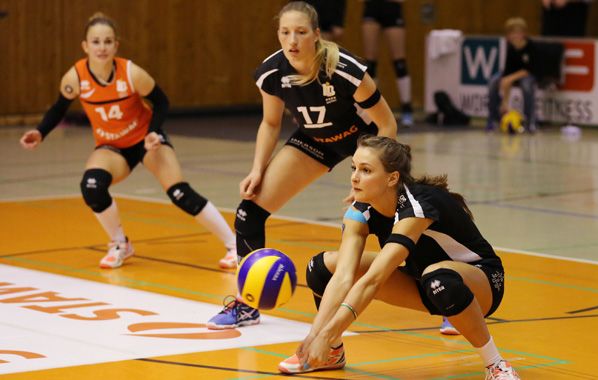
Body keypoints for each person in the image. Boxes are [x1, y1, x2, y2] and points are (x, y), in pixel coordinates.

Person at [206, 1, 397, 329]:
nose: (292, 40)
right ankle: (247, 303)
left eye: (300, 32)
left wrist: (366, 176)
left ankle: (446, 299)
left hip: (362, 143)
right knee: (248, 211)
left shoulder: (344, 69)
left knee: (392, 221)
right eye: (285, 32)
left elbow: (387, 126)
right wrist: (257, 169)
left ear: (316, 35)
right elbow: (270, 123)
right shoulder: (272, 72)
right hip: (314, 141)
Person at [277, 135, 520, 379]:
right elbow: (343, 277)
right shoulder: (359, 212)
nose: (354, 177)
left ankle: (496, 364)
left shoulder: (416, 208)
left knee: (438, 277)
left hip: (480, 282)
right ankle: (331, 352)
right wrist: (314, 337)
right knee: (323, 267)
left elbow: (373, 281)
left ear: (392, 178)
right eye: (354, 168)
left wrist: (326, 334)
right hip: (422, 280)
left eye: (366, 170)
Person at [19, 13, 237, 270]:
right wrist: (40, 132)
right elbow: (59, 108)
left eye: (108, 41)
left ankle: (235, 246)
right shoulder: (75, 77)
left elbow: (162, 100)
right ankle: (120, 244)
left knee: (180, 193)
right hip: (112, 148)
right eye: (96, 42)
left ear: (116, 45)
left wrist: (153, 132)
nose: (102, 47)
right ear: (85, 46)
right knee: (91, 187)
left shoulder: (131, 73)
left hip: (145, 139)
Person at [361, 0, 414, 127]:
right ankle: (370, 110)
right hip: (372, 8)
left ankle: (407, 108)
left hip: (392, 8)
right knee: (370, 64)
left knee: (399, 62)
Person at [487, 17, 537, 133]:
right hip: (513, 74)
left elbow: (529, 70)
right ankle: (493, 119)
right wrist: (505, 101)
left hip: (528, 74)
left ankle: (530, 121)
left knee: (526, 86)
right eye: (511, 33)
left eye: (517, 33)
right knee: (493, 82)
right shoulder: (511, 48)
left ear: (524, 34)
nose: (514, 36)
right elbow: (507, 75)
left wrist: (510, 78)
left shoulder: (531, 47)